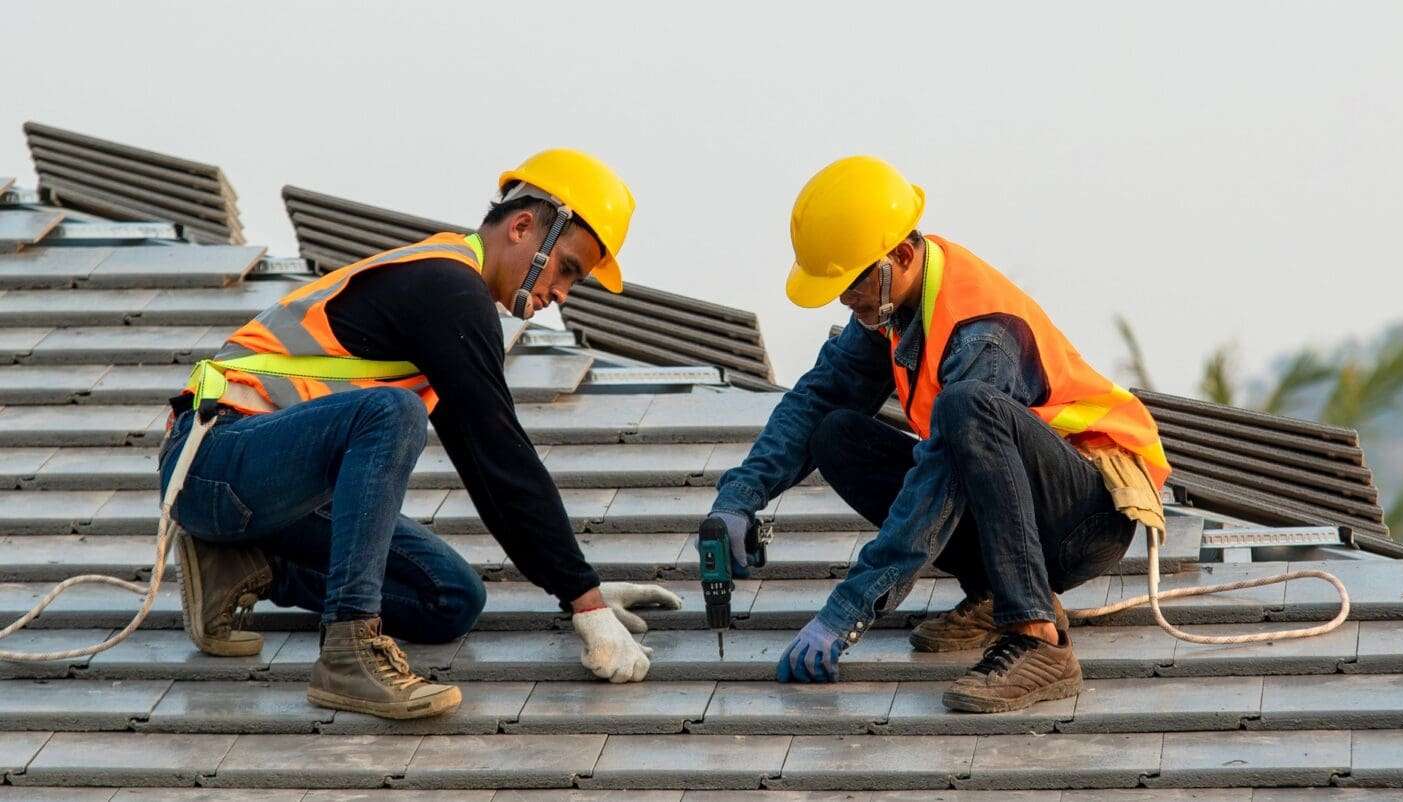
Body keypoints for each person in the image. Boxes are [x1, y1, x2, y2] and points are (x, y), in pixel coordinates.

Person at [159, 149, 678, 720]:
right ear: (524, 226)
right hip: (213, 460)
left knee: (451, 598)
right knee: (395, 412)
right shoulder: (448, 288)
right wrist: (585, 600)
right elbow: (503, 453)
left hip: (267, 490)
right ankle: (348, 654)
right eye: (568, 269)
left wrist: (580, 591)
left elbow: (488, 468)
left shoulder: (450, 300)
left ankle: (243, 566)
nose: (562, 294)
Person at [703, 156, 1170, 712]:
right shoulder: (894, 303)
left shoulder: (982, 335)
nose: (843, 298)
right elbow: (817, 398)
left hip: (1088, 514)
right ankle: (1001, 589)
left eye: (850, 280)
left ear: (899, 255)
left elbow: (938, 481)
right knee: (836, 433)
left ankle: (1038, 636)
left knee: (966, 407)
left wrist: (848, 611)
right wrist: (739, 497)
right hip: (1021, 509)